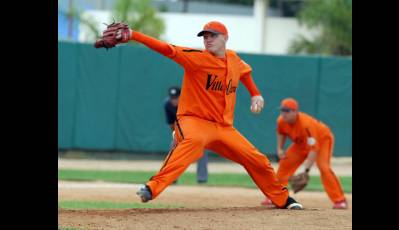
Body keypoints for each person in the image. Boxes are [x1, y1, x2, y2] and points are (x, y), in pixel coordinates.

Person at [96, 21, 302, 209]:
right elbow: (168, 49)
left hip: (223, 127)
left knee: (257, 160)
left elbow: (244, 72)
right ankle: (151, 188)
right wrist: (133, 35)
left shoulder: (233, 59)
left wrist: (255, 94)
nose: (207, 39)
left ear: (225, 38)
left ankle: (283, 199)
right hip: (194, 121)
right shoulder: (197, 59)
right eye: (205, 36)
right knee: (191, 145)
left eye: (212, 35)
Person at [260, 98, 347, 209]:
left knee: (324, 167)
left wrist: (306, 171)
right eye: (282, 110)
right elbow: (281, 133)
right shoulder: (281, 121)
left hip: (322, 139)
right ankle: (275, 196)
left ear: (295, 112)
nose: (284, 113)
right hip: (300, 143)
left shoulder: (306, 124)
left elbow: (313, 149)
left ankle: (339, 200)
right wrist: (280, 148)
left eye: (287, 111)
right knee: (285, 164)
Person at [164, 86, 208, 184]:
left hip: (197, 129)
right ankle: (172, 178)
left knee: (201, 149)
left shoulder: (189, 103)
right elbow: (171, 123)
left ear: (181, 96)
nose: (173, 100)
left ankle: (202, 178)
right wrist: (178, 136)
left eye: (176, 98)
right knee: (173, 147)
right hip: (181, 131)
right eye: (172, 98)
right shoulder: (167, 104)